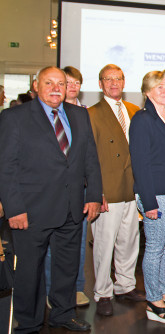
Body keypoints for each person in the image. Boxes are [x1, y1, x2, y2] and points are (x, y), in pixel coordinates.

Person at [0, 66, 102, 333]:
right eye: (49, 83)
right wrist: (14, 209)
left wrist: (93, 195)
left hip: (72, 207)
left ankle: (62, 314)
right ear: (36, 86)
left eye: (61, 83)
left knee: (67, 267)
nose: (56, 88)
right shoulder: (15, 117)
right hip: (31, 211)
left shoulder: (79, 115)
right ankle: (29, 323)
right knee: (29, 272)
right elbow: (6, 167)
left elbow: (90, 157)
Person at [129, 70, 165, 324]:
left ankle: (164, 292)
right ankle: (153, 301)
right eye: (159, 87)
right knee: (155, 249)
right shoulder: (143, 119)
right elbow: (140, 164)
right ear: (147, 91)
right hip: (157, 194)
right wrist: (149, 202)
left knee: (164, 247)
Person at [88, 64, 145, 317]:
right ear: (100, 84)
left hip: (132, 189)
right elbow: (87, 158)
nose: (113, 83)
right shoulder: (90, 114)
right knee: (104, 243)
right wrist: (94, 192)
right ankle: (102, 292)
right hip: (106, 192)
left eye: (118, 79)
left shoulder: (135, 111)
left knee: (129, 241)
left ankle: (126, 285)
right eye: (108, 79)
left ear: (124, 82)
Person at [44, 66, 90, 308]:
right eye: (67, 82)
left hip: (78, 189)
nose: (71, 87)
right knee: (52, 243)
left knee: (78, 242)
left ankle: (77, 287)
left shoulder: (83, 114)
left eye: (75, 83)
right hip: (49, 191)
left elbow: (91, 157)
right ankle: (52, 290)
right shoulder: (46, 113)